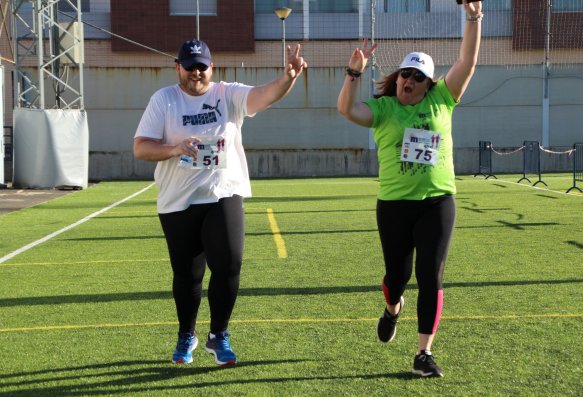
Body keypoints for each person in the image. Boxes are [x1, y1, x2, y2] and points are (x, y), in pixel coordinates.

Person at [133, 38, 307, 366]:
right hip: (178, 201)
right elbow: (141, 147)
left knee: (229, 264)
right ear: (178, 68)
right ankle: (187, 334)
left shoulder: (227, 93)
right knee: (187, 275)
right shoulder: (164, 100)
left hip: (222, 192)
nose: (196, 73)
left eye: (203, 66)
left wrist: (288, 77)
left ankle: (219, 334)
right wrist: (174, 149)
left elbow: (263, 95)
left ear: (212, 67)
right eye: (190, 67)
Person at [337, 1, 482, 378]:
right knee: (396, 277)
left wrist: (473, 17)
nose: (409, 81)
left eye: (417, 77)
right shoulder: (383, 108)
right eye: (405, 74)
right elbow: (346, 111)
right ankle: (392, 309)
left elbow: (466, 63)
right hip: (394, 205)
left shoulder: (442, 99)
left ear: (428, 84)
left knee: (430, 274)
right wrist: (354, 73)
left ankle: (423, 353)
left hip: (437, 202)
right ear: (397, 76)